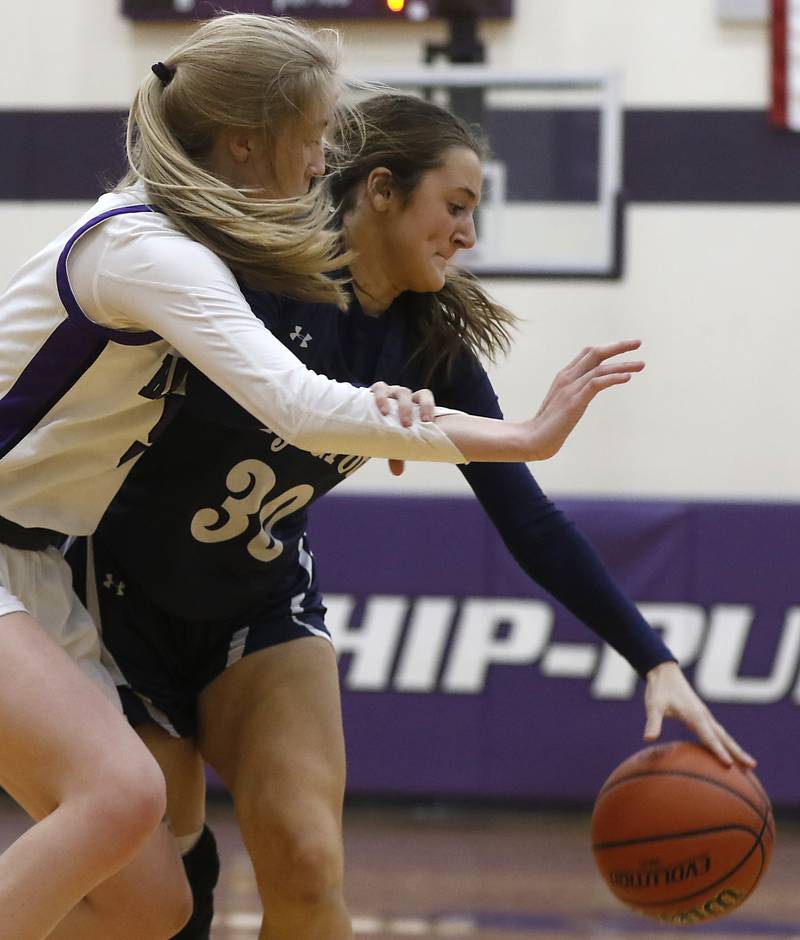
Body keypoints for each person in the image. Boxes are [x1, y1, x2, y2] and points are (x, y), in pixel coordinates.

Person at [68, 94, 755, 940]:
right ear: (382, 190)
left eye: (475, 214)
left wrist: (652, 658)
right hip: (120, 599)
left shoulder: (433, 350)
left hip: (259, 601)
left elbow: (528, 521)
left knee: (309, 861)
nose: (468, 234)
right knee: (157, 893)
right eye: (456, 206)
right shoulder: (248, 285)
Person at [0, 14, 619, 937]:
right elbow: (296, 403)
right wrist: (517, 436)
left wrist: (406, 414)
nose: (326, 155)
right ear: (249, 140)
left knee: (151, 907)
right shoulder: (152, 251)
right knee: (121, 797)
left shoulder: (212, 246)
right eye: (319, 132)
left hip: (41, 559)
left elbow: (324, 389)